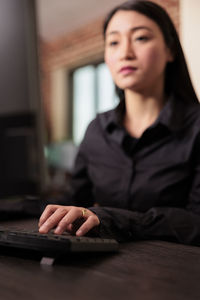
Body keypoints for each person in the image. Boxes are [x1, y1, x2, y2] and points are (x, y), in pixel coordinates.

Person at [38, 0, 200, 245]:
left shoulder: (196, 126)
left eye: (141, 38)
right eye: (113, 42)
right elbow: (72, 200)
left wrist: (110, 219)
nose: (125, 53)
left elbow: (196, 221)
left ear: (170, 51)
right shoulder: (97, 129)